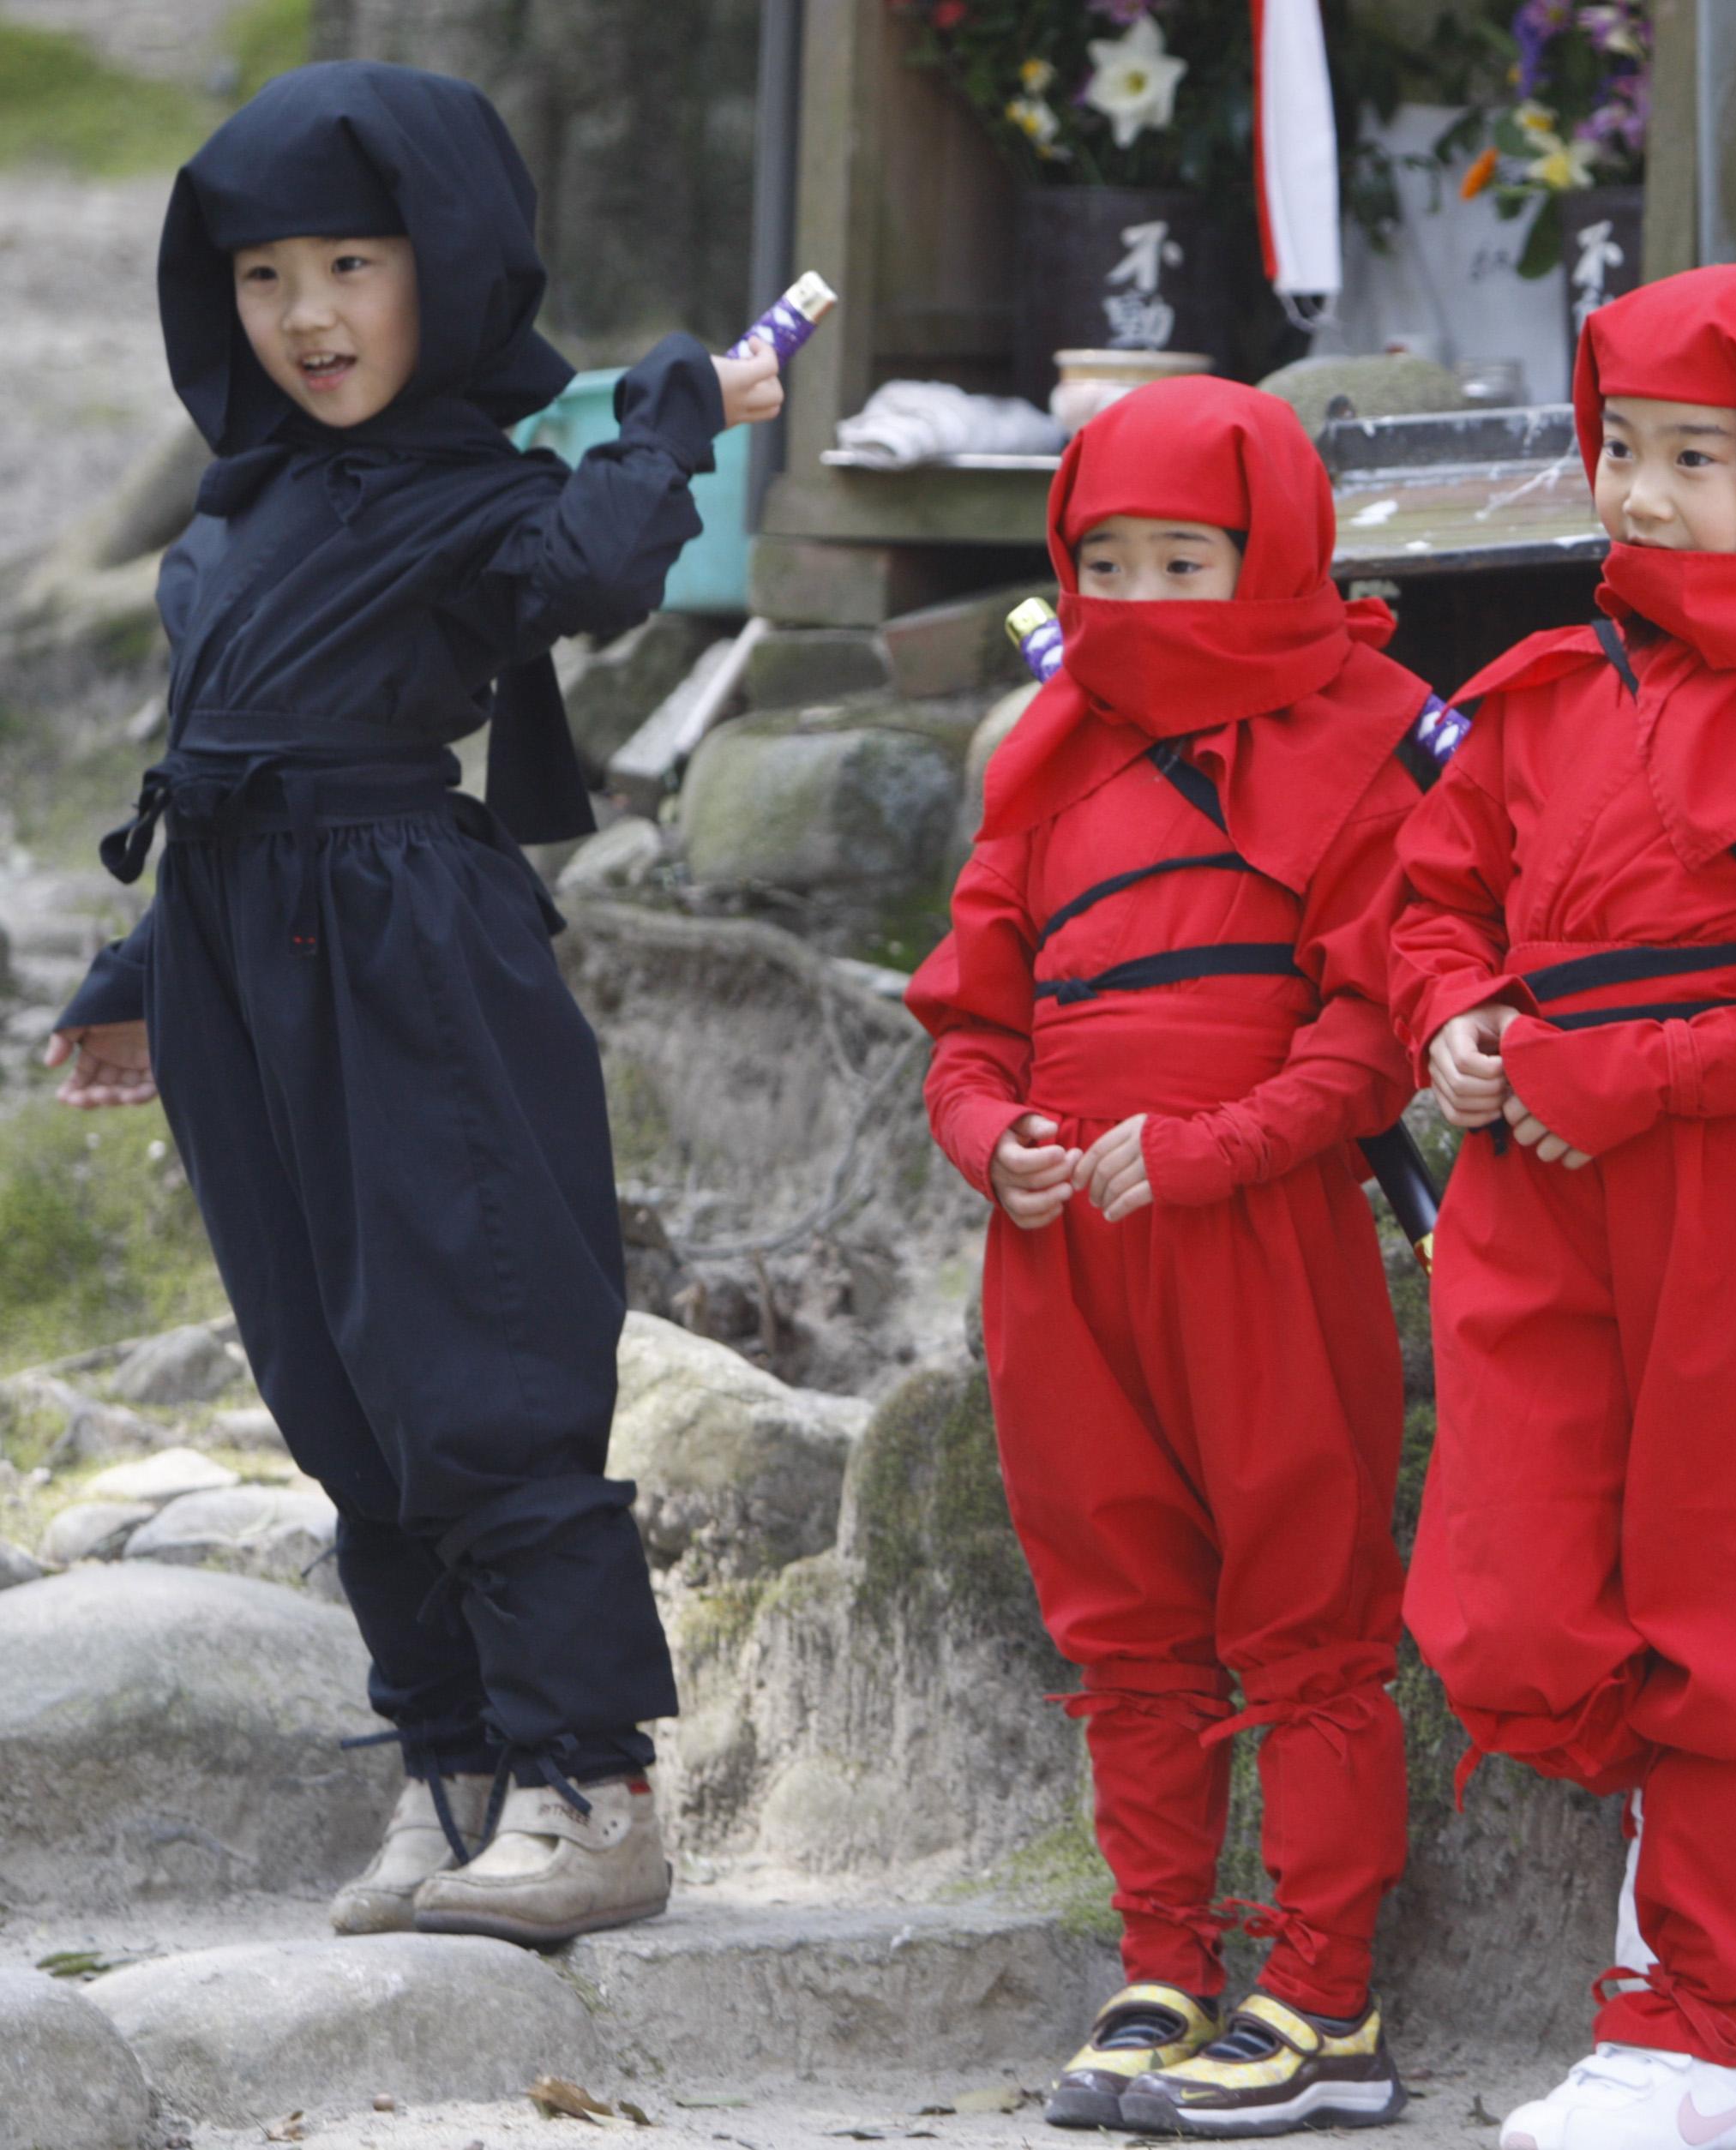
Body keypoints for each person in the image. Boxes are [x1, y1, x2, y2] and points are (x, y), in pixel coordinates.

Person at [44, 62, 780, 1945]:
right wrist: (136, 974)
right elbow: (208, 751)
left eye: (352, 265)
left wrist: (670, 412)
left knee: (475, 1348)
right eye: (264, 273)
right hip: (235, 956)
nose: (305, 316)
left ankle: (591, 1789)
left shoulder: (479, 497)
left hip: (407, 946)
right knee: (332, 1379)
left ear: (442, 267)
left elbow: (611, 566)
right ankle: (450, 1772)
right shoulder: (236, 515)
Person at [1389, 262, 1736, 2150]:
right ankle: (1661, 1941)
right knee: (1514, 1584)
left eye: (1699, 457)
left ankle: (1696, 2028)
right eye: (1622, 445)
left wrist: (1633, 1078)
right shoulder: (1543, 689)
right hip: (1536, 1187)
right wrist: (1448, 1016)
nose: (1638, 491)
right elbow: (1431, 892)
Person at [905, 375, 1429, 2139]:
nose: (1137, 601)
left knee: (1305, 1612)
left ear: (1273, 553)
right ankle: (1160, 1956)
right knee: (1122, 1620)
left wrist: (1222, 1148)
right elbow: (967, 1025)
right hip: (1061, 1252)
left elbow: (1378, 1025)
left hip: (1263, 1234)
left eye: (1185, 561)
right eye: (1104, 562)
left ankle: (1320, 1989)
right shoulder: (1046, 758)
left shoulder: (1373, 735)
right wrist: (997, 1144)